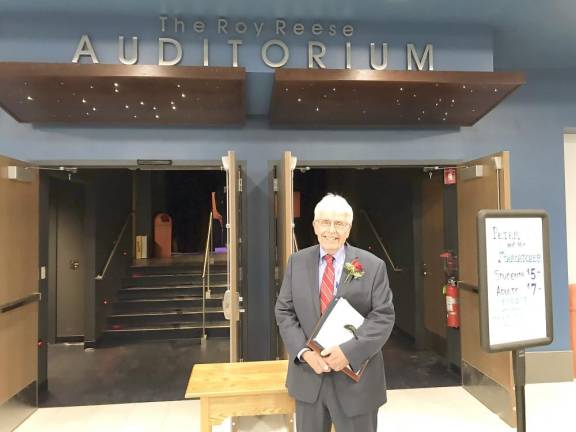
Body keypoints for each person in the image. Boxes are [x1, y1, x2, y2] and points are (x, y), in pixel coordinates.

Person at [275, 193, 395, 432]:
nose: (331, 230)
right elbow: (284, 311)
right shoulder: (297, 262)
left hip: (356, 385)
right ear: (315, 225)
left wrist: (348, 353)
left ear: (348, 229)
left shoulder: (372, 266)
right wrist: (305, 353)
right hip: (309, 378)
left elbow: (383, 317)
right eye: (325, 222)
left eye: (339, 223)